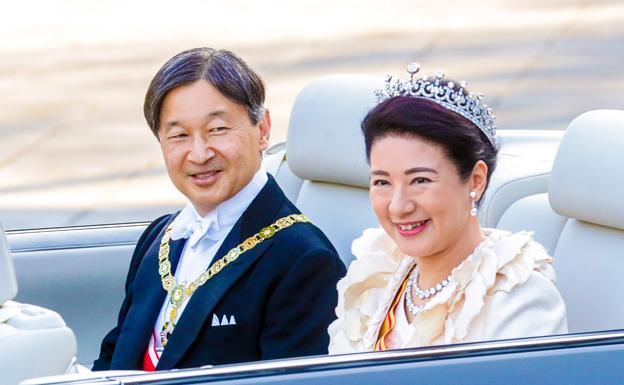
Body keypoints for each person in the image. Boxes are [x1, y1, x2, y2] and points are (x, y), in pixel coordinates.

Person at [93, 48, 346, 371]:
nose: (199, 154)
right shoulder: (160, 237)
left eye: (217, 130)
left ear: (263, 129)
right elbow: (113, 358)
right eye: (179, 135)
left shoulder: (303, 260)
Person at [328, 64, 567, 353]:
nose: (398, 206)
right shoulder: (376, 278)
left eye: (420, 180)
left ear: (476, 180)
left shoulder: (517, 298)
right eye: (382, 182)